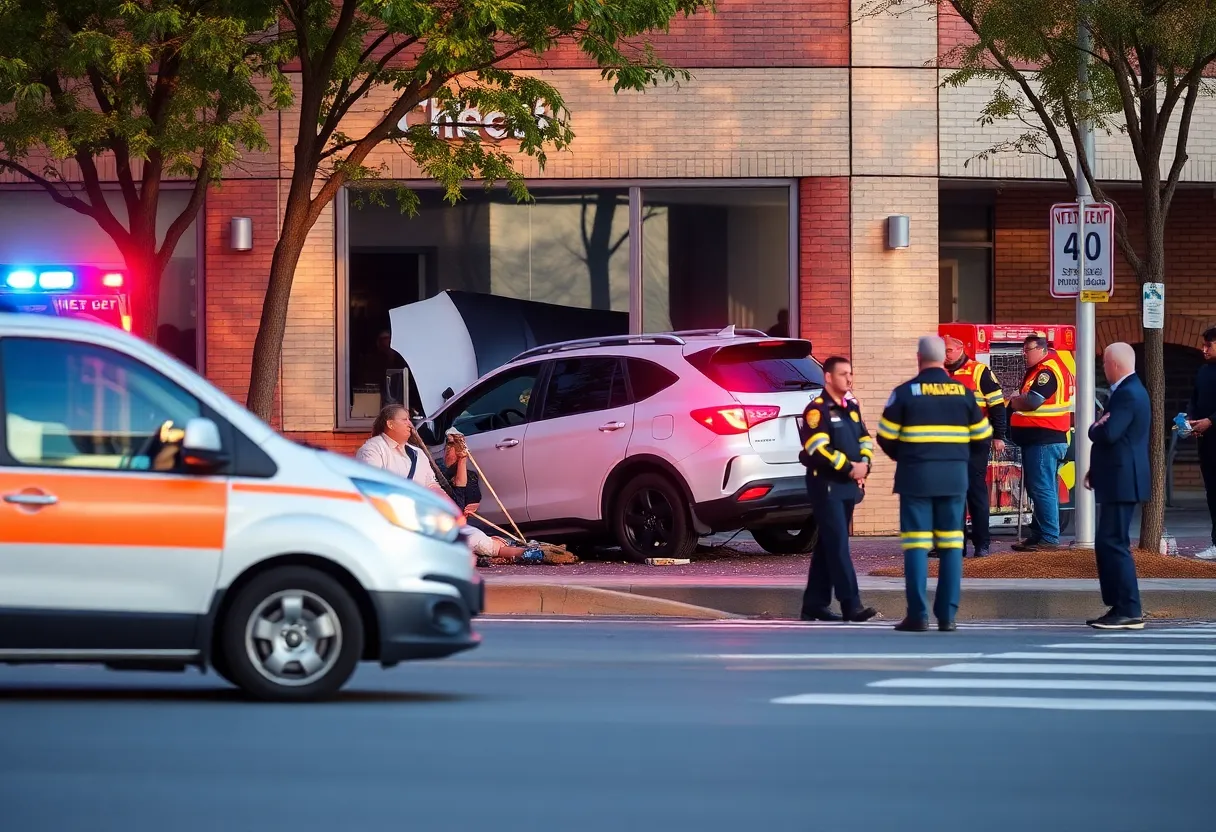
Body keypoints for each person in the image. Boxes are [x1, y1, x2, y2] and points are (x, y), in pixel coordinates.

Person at [877, 336, 992, 632]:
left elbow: (885, 437)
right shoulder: (964, 393)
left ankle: (917, 615)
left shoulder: (904, 393)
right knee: (952, 545)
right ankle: (947, 616)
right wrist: (960, 460)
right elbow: (982, 437)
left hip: (915, 478)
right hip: (954, 479)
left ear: (919, 357)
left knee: (916, 546)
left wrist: (907, 458)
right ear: (944, 359)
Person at [796, 356, 879, 623]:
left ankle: (814, 605)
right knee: (839, 544)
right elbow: (817, 449)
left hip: (847, 486)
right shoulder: (817, 410)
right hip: (826, 485)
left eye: (851, 373)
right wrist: (849, 467)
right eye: (843, 374)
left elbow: (865, 438)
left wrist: (865, 464)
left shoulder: (851, 407)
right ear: (828, 377)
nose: (849, 378)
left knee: (828, 544)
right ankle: (851, 605)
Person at [1083, 342, 1149, 629]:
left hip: (1124, 479)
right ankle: (1120, 606)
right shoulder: (1126, 392)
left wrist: (1093, 427)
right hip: (1117, 477)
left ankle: (1128, 608)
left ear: (1114, 364)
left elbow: (1108, 431)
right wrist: (1095, 469)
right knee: (1109, 542)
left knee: (1113, 543)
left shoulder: (1128, 394)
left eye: (1105, 363)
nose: (1104, 368)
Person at [1007, 334, 1075, 552]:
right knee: (1042, 488)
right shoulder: (1047, 368)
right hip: (1044, 439)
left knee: (1041, 488)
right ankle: (1039, 534)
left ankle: (1048, 538)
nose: (1024, 355)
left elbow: (1033, 401)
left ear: (1042, 349)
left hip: (1044, 438)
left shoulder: (1047, 372)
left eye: (1028, 350)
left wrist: (1013, 400)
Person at [944, 336, 1008, 558]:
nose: (946, 354)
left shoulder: (979, 371)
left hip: (975, 441)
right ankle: (956, 545)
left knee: (974, 490)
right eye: (943, 351)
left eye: (949, 350)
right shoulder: (941, 373)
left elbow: (997, 406)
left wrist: (999, 436)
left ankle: (982, 543)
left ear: (961, 349)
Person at [442, 430, 542, 563]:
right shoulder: (436, 473)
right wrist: (462, 460)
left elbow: (470, 501)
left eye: (456, 447)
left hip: (465, 523)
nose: (451, 451)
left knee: (493, 536)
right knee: (482, 543)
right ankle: (525, 553)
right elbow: (457, 503)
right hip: (447, 525)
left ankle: (526, 550)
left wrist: (471, 506)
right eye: (449, 446)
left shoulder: (470, 475)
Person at [1187, 327, 1216, 560]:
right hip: (1208, 443)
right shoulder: (1204, 371)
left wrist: (1211, 421)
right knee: (1213, 492)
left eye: (1209, 345)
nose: (1203, 349)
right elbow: (1194, 399)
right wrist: (1191, 419)